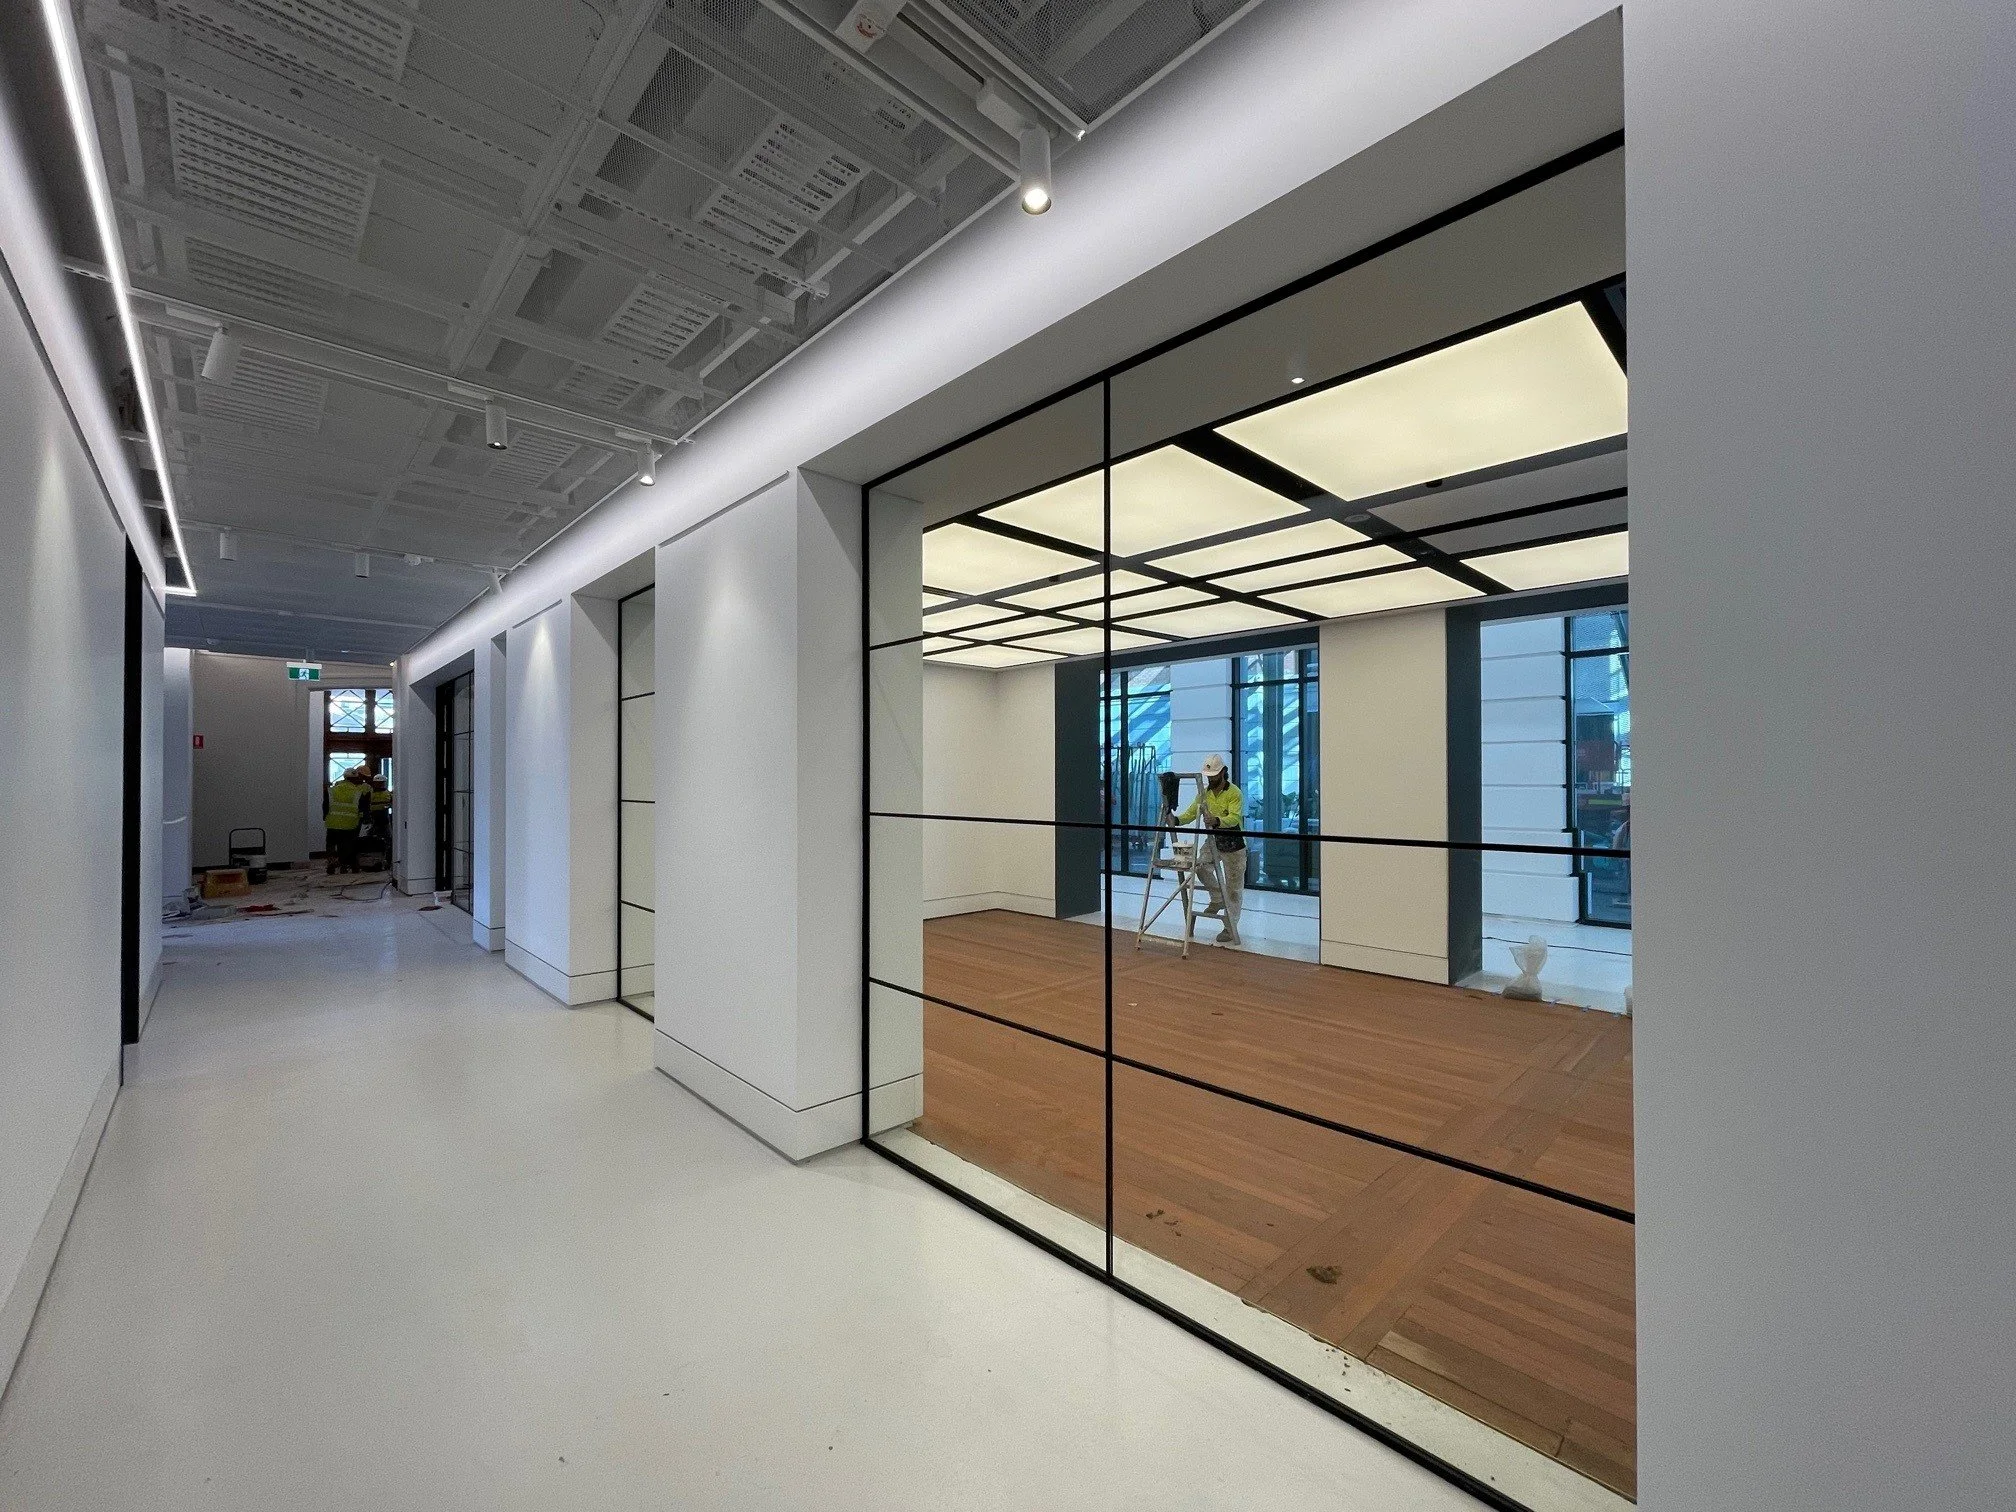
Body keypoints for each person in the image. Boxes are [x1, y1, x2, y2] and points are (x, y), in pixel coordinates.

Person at [1175, 753, 1245, 947]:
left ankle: (1230, 928)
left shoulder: (1234, 793)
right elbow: (1191, 812)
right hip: (1213, 840)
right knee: (1201, 866)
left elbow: (1235, 818)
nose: (1211, 779)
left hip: (1233, 844)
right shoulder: (1204, 794)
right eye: (1209, 776)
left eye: (1214, 775)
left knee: (1234, 890)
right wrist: (1177, 820)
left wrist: (1217, 821)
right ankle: (1217, 897)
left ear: (1223, 772)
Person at [325, 765, 370, 876]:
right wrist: (365, 819)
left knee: (331, 843)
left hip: (332, 822)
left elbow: (325, 805)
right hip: (350, 824)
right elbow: (363, 808)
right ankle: (344, 865)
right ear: (355, 779)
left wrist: (325, 817)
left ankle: (331, 862)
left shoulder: (332, 790)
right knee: (347, 845)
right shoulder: (357, 792)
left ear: (344, 777)